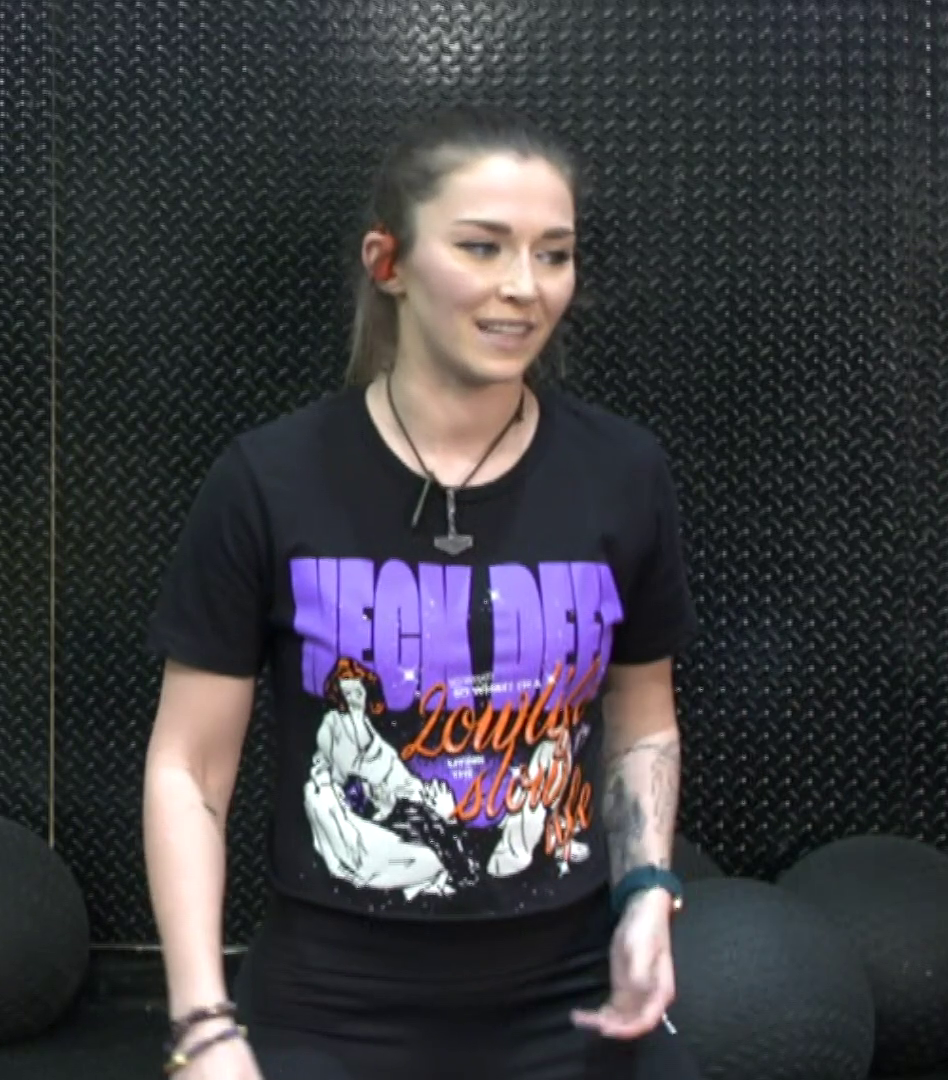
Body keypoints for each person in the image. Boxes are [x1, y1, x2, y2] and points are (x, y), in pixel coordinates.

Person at [141, 105, 702, 1080]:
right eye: (482, 247)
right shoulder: (270, 480)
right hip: (332, 1003)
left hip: (568, 996)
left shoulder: (622, 473)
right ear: (389, 262)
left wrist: (646, 891)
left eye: (555, 254)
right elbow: (188, 771)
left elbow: (643, 720)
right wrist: (203, 1027)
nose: (524, 286)